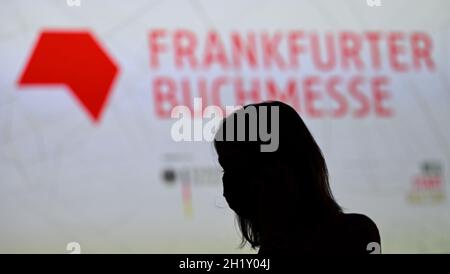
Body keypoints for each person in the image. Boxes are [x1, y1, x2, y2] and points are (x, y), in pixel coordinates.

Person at [213, 101, 381, 254]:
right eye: (226, 169)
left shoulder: (354, 234)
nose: (229, 182)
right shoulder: (357, 231)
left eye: (240, 166)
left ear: (281, 166)